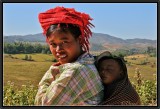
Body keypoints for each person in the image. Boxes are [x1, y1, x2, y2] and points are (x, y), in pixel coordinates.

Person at [34, 6, 104, 106]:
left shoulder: (76, 70)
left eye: (64, 42)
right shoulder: (87, 62)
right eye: (53, 44)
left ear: (79, 40)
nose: (58, 50)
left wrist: (51, 73)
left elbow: (43, 104)